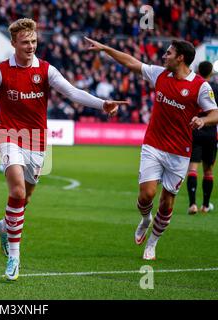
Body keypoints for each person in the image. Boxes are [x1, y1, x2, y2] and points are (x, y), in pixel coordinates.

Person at [0, 18, 126, 280]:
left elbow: (72, 92)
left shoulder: (45, 69)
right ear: (13, 43)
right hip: (10, 135)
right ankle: (14, 258)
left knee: (25, 199)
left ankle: (4, 227)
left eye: (33, 41)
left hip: (38, 140)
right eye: (25, 42)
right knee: (17, 190)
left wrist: (102, 104)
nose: (30, 46)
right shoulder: (1, 70)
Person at [85, 37, 218, 260]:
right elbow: (130, 62)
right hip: (153, 145)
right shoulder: (160, 74)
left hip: (179, 152)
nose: (163, 55)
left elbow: (215, 113)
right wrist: (105, 48)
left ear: (180, 58)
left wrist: (203, 121)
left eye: (168, 53)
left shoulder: (200, 86)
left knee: (167, 202)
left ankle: (152, 243)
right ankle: (145, 219)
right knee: (147, 194)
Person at [187, 61, 218, 214]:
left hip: (196, 130)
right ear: (211, 72)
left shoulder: (195, 86)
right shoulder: (215, 88)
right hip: (211, 132)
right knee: (208, 171)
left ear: (198, 71)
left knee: (193, 168)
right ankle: (205, 206)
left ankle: (192, 204)